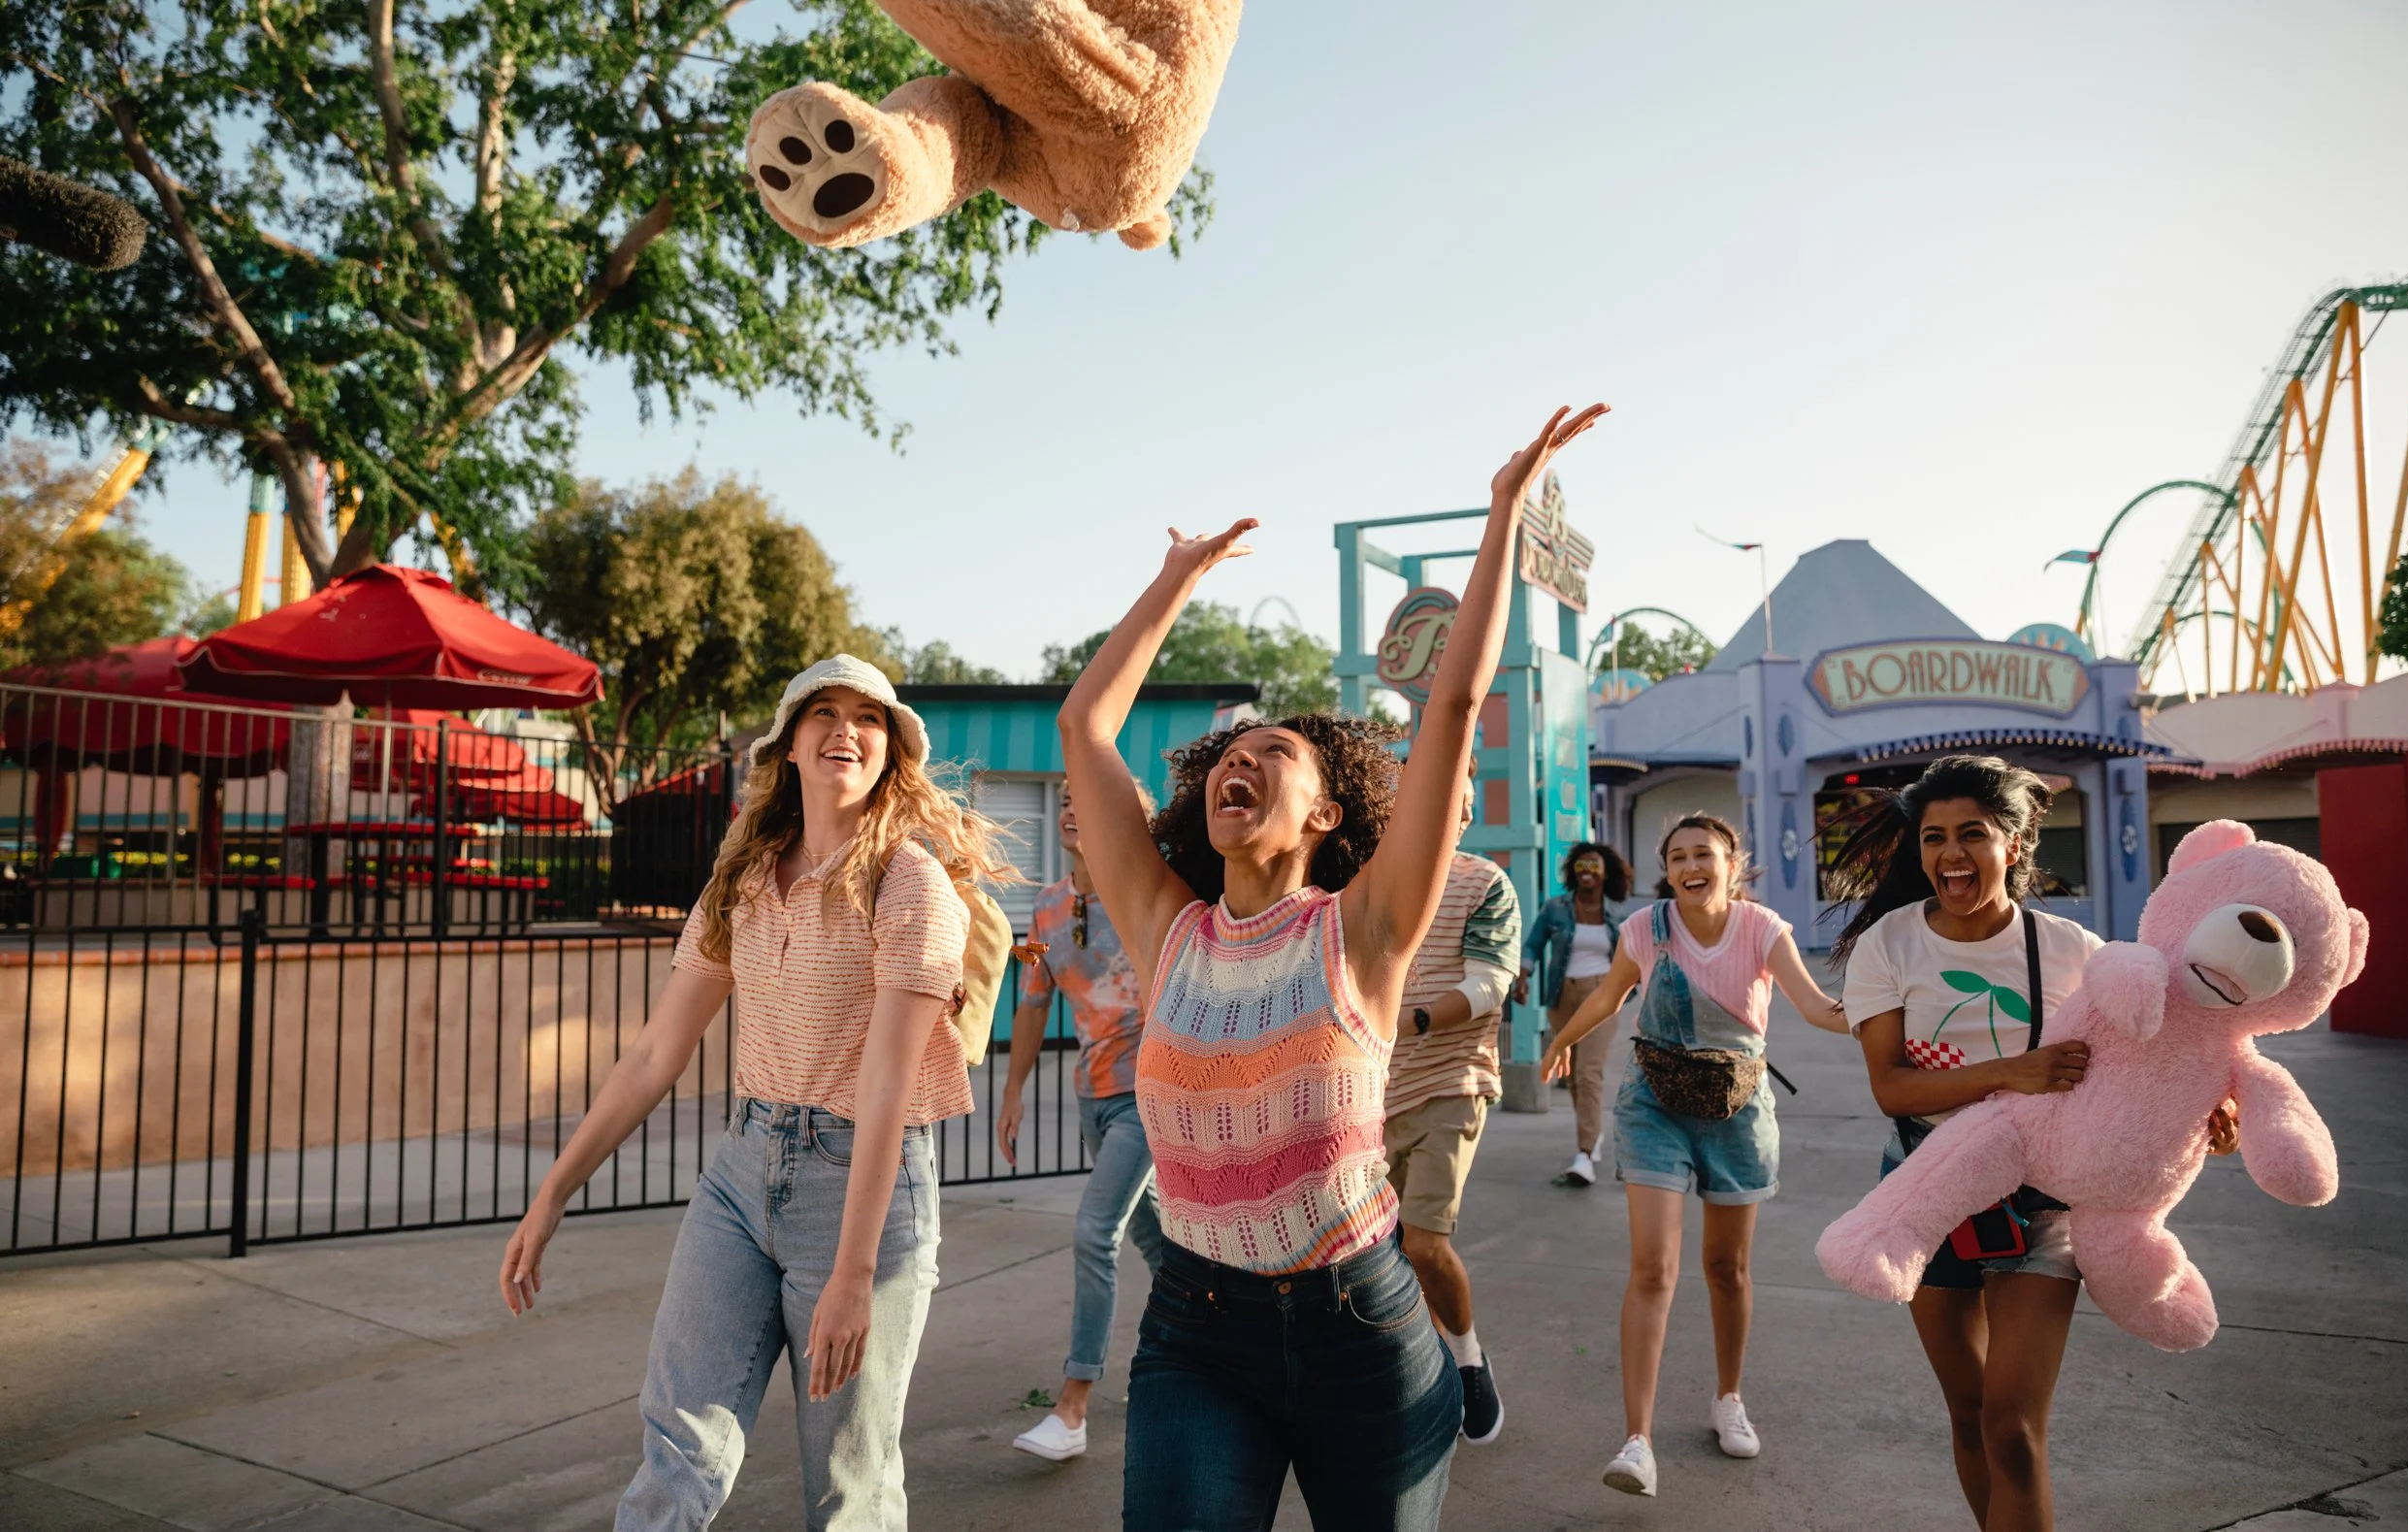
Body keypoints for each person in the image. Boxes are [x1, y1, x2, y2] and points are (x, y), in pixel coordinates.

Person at [1060, 402, 1609, 1532]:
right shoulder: (1170, 930)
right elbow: (1086, 726)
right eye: (1231, 754)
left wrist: (1503, 514)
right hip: (1195, 1332)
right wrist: (1175, 576)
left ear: (1326, 813)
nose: (1243, 763)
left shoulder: (1362, 932)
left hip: (1361, 1329)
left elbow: (1454, 699)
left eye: (1277, 755)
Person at [496, 656, 1009, 1531]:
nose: (846, 728)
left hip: (861, 1194)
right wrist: (553, 1191)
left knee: (847, 1485)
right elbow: (658, 1050)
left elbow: (886, 1084)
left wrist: (853, 1272)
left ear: (890, 751)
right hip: (739, 1175)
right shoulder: (741, 880)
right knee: (674, 1447)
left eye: (868, 717)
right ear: (790, 744)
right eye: (825, 713)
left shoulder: (909, 884)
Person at [1828, 755, 2235, 1532]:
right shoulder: (1890, 945)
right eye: (1934, 836)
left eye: (1972, 835)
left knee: (2014, 1431)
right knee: (1969, 1409)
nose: (1950, 854)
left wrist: (2207, 1111)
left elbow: (2144, 1059)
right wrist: (2014, 1072)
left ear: (2012, 844)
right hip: (1929, 1187)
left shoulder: (2072, 949)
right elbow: (1893, 1087)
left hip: (2044, 1201)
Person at [1540, 812, 1849, 1498]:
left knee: (1727, 1269)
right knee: (1653, 1268)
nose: (1690, 865)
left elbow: (1820, 1005)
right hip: (1654, 1107)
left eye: (1703, 852)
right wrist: (1561, 1038)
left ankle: (1728, 1396)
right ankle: (1637, 1440)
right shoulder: (1646, 929)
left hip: (1738, 1113)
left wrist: (1890, 1015)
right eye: (1677, 855)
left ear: (1730, 861)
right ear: (1667, 868)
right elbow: (1611, 994)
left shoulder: (1762, 929)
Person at [998, 781, 1167, 1462]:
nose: (1072, 802)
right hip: (1091, 1097)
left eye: (1086, 794)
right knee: (1158, 1244)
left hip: (1148, 1095)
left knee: (1095, 1231)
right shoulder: (1043, 910)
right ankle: (1211, 1349)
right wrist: (1012, 1091)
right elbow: (1033, 1000)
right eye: (1065, 794)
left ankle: (1072, 1406)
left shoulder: (1150, 894)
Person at [1382, 759, 1521, 1446]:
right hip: (1367, 1094)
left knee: (1425, 1242)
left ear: (1467, 814)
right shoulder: (1365, 879)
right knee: (1378, 1256)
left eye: (1458, 802)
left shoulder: (1485, 882)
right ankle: (1417, 1365)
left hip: (1450, 1082)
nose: (1445, 810)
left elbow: (1492, 983)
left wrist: (1414, 1019)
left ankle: (1467, 1359)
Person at [1522, 841, 1632, 1185]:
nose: (1586, 872)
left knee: (1588, 1073)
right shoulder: (1556, 907)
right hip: (1561, 995)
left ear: (1605, 872)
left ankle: (1584, 1154)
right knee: (1571, 1074)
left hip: (1600, 995)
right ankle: (1592, 1133)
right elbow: (1533, 944)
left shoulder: (1616, 912)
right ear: (1573, 871)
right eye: (1581, 866)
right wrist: (1523, 976)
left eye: (1593, 866)